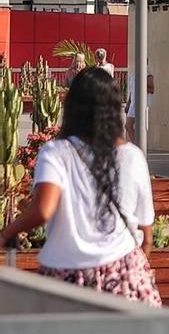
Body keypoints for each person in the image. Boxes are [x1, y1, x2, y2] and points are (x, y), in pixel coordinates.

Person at [1, 68, 160, 304]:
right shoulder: (133, 156)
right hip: (122, 275)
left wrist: (8, 232)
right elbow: (146, 233)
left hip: (66, 275)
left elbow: (43, 210)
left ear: (71, 107)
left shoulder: (56, 152)